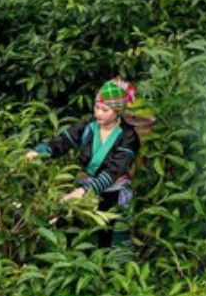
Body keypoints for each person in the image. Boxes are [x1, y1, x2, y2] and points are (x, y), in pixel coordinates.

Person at [26, 78, 142, 246]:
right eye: (97, 107)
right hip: (86, 186)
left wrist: (84, 191)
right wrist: (38, 152)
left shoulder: (128, 136)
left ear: (117, 111)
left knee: (109, 239)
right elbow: (62, 142)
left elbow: (115, 170)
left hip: (113, 193)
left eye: (105, 110)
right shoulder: (88, 126)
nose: (98, 113)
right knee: (78, 237)